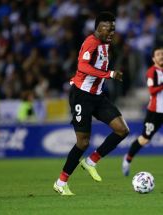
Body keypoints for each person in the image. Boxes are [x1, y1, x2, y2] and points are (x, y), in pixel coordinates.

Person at [53, 11, 129, 196]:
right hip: (81, 96)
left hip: (98, 96)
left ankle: (91, 162)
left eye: (113, 29)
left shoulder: (105, 44)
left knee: (122, 129)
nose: (111, 32)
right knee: (83, 142)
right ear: (98, 28)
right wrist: (109, 74)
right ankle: (61, 183)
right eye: (108, 29)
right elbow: (83, 67)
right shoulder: (91, 42)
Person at [122, 46, 163, 176]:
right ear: (153, 58)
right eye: (158, 54)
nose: (161, 56)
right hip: (155, 112)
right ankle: (127, 159)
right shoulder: (152, 72)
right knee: (145, 139)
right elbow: (152, 91)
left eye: (162, 54)